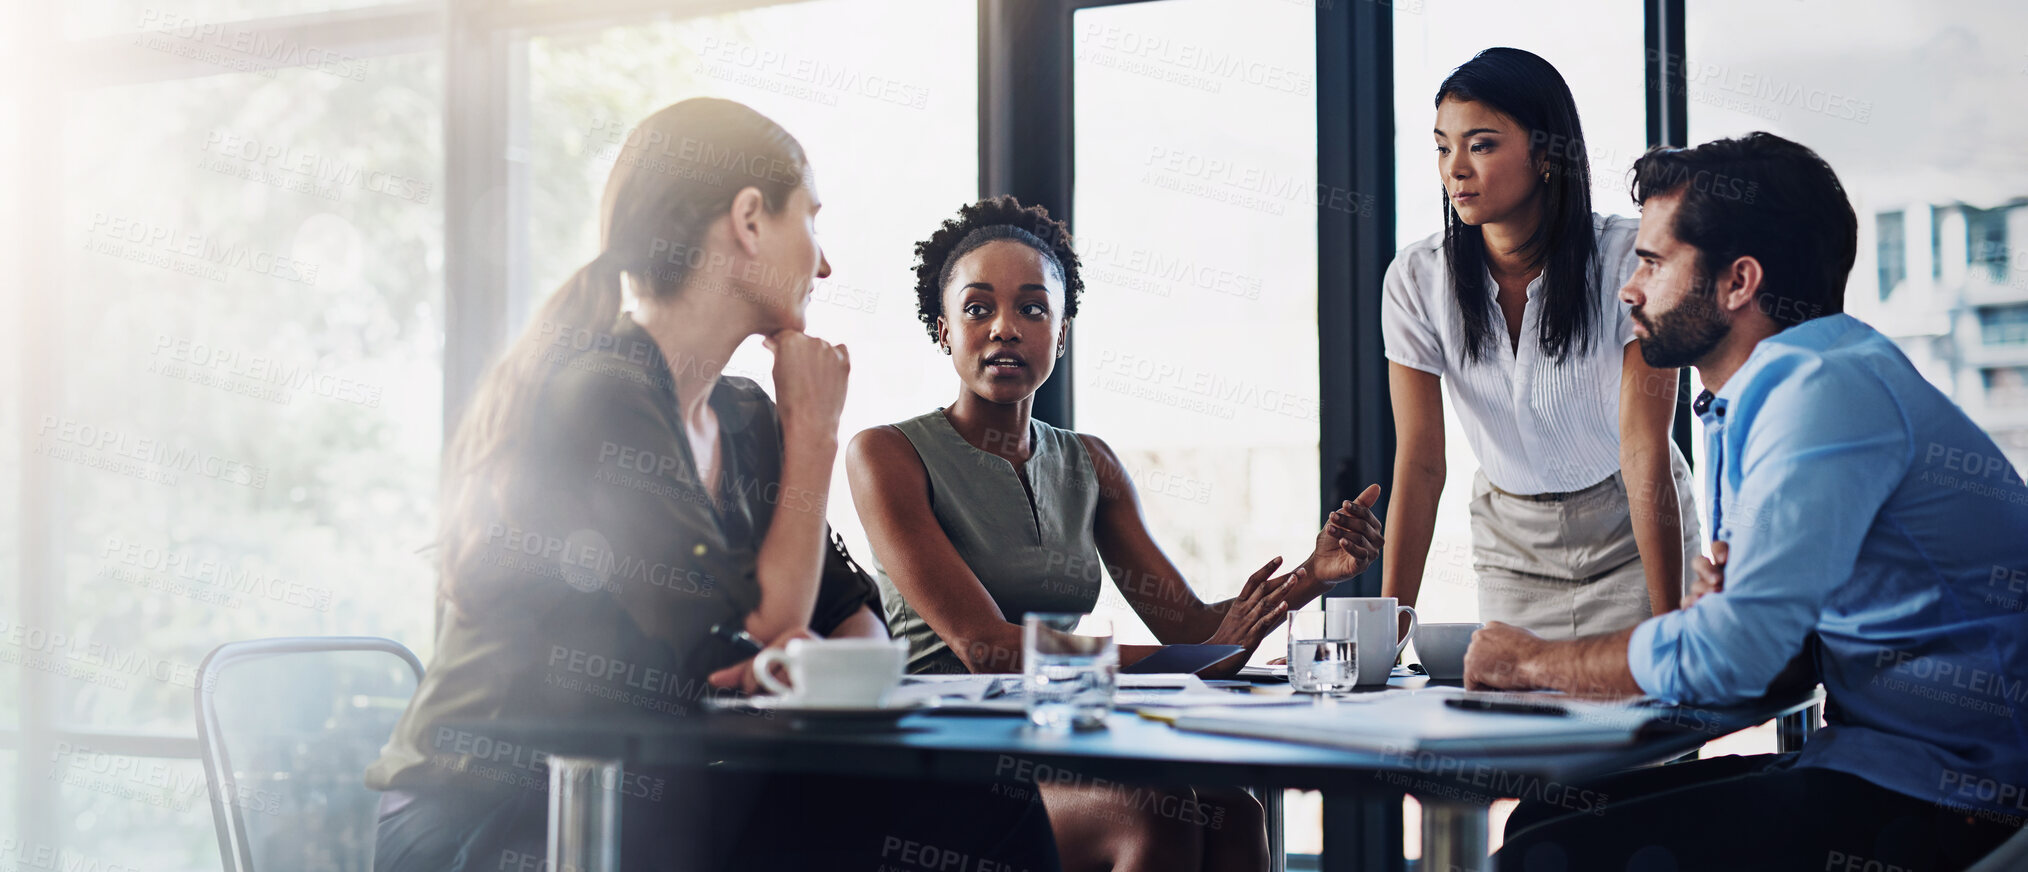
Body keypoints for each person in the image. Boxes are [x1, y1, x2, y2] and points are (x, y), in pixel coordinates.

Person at [364, 99, 1059, 872]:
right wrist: (817, 435)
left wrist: (792, 649)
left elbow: (850, 619)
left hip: (666, 790)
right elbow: (763, 623)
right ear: (750, 220)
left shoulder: (745, 415)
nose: (823, 263)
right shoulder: (603, 394)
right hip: (499, 813)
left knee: (987, 807)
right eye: (812, 222)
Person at [1468, 132, 2028, 871]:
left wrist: (1532, 661)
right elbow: (1772, 658)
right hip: (1880, 761)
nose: (1628, 289)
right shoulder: (1771, 390)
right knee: (1543, 817)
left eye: (1654, 262)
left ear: (1738, 283)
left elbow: (1737, 656)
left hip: (1957, 797)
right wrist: (1731, 618)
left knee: (1547, 856)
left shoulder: (1819, 390)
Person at [847, 195, 1386, 872]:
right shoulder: (886, 455)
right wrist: (1194, 660)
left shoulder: (1088, 464)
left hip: (1061, 743)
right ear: (943, 329)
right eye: (979, 308)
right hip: (948, 763)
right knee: (1147, 822)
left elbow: (1189, 628)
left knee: (1231, 810)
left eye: (1033, 308)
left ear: (1062, 332)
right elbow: (986, 648)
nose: (1005, 328)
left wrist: (1314, 573)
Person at [1380, 47, 1699, 641]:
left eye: (1481, 144)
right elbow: (1420, 464)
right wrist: (1384, 637)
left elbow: (1643, 449)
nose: (1456, 168)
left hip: (1631, 531)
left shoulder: (1629, 260)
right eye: (1443, 147)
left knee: (1652, 724)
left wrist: (1671, 631)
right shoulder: (1416, 279)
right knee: (1517, 726)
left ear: (1547, 152)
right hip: (1512, 545)